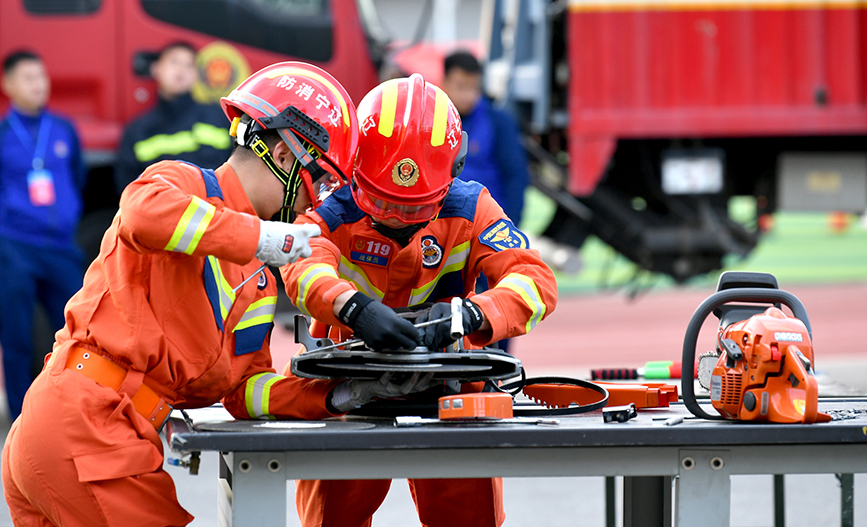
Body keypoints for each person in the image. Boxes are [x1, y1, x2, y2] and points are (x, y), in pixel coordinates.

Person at [1, 61, 411, 527]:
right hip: (88, 429)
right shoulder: (179, 184)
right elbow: (144, 214)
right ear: (282, 155)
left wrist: (346, 393)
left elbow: (247, 391)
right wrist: (264, 238)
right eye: (320, 179)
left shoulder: (257, 276)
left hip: (94, 433)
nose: (317, 200)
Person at [280, 73, 558, 527]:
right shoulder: (329, 211)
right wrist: (354, 308)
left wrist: (473, 314)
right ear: (353, 168)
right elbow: (302, 268)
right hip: (350, 392)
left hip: (449, 390)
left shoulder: (471, 209)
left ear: (453, 173)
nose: (395, 218)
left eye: (413, 208)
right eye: (383, 202)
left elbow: (534, 280)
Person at [0, 50, 86, 420]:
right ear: (8, 85)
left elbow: (77, 176)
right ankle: (22, 418)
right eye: (28, 78)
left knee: (77, 334)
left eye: (41, 77)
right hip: (15, 247)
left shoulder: (63, 128)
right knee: (17, 338)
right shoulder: (3, 133)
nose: (38, 85)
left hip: (61, 247)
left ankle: (70, 413)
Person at [440, 50, 530, 352]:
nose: (468, 95)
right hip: (446, 234)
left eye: (474, 88)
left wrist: (509, 226)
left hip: (487, 232)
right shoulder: (432, 121)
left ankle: (497, 374)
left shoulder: (497, 121)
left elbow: (516, 176)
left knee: (496, 307)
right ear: (444, 82)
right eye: (461, 87)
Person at [114, 41, 231, 192]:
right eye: (174, 62)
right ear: (156, 69)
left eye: (189, 65)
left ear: (196, 75)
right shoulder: (137, 130)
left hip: (218, 210)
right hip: (164, 212)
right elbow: (127, 188)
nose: (181, 70)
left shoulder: (218, 118)